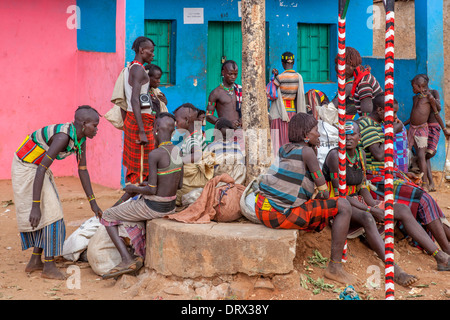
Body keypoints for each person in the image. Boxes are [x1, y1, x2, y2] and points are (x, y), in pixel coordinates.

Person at [323, 120, 449, 277]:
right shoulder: (336, 157)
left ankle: (440, 256)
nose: (348, 138)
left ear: (359, 137)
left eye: (352, 134)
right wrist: (371, 210)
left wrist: (375, 205)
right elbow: (341, 195)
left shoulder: (360, 155)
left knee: (402, 209)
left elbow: (362, 187)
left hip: (357, 201)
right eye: (344, 134)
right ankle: (395, 271)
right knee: (368, 218)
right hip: (339, 205)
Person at [255, 112, 357, 285]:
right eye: (316, 130)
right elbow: (324, 191)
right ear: (305, 135)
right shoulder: (307, 152)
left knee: (316, 206)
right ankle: (335, 268)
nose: (319, 134)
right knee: (344, 206)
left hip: (262, 208)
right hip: (279, 214)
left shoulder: (284, 148)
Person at [11, 105, 102, 280]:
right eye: (95, 125)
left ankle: (35, 261)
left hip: (37, 168)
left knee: (50, 212)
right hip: (27, 167)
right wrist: (35, 206)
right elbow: (40, 170)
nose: (97, 130)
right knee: (54, 217)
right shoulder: (63, 137)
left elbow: (82, 170)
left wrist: (93, 203)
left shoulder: (80, 139)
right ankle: (49, 266)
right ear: (83, 124)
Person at [359, 94, 450, 257]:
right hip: (374, 180)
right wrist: (392, 131)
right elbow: (379, 155)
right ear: (380, 110)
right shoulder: (366, 124)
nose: (395, 117)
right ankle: (446, 252)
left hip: (387, 175)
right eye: (391, 113)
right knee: (423, 200)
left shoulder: (377, 124)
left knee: (429, 201)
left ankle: (447, 247)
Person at [101, 113, 183, 279]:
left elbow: (152, 190)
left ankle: (126, 259)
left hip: (154, 207)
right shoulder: (177, 151)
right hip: (171, 205)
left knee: (108, 216)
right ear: (173, 131)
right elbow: (178, 185)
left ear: (155, 130)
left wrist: (133, 188)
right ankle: (137, 254)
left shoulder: (155, 154)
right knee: (131, 214)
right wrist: (146, 186)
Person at [404, 74, 450, 191]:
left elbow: (437, 111)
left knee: (423, 155)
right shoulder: (416, 98)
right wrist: (403, 125)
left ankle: (425, 183)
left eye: (413, 86)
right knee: (414, 154)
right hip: (413, 129)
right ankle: (424, 182)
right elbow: (412, 116)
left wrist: (445, 130)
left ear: (420, 87)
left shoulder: (431, 96)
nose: (412, 89)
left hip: (423, 129)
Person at [122, 36, 156, 186]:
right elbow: (134, 99)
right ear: (142, 50)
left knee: (138, 165)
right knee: (143, 166)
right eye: (151, 51)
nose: (153, 54)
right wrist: (141, 130)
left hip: (135, 119)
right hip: (139, 121)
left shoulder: (129, 67)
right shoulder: (138, 70)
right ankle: (134, 202)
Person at [269, 52, 306, 154]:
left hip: (279, 114)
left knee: (278, 142)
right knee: (290, 141)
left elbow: (271, 94)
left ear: (282, 63)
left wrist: (273, 77)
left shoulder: (279, 78)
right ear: (293, 62)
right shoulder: (298, 77)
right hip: (293, 113)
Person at [206, 60, 244, 150]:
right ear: (223, 72)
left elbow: (246, 110)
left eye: (235, 74)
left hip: (240, 132)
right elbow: (208, 116)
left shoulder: (240, 90)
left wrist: (242, 119)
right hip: (223, 133)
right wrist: (227, 124)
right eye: (230, 74)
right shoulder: (215, 93)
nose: (233, 77)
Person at [334, 47, 383, 116]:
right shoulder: (362, 78)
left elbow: (366, 115)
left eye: (341, 69)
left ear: (350, 64)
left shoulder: (363, 82)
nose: (340, 74)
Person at [207, 118, 246, 184]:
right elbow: (240, 160)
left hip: (219, 179)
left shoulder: (211, 146)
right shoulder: (236, 145)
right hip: (236, 179)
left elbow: (207, 167)